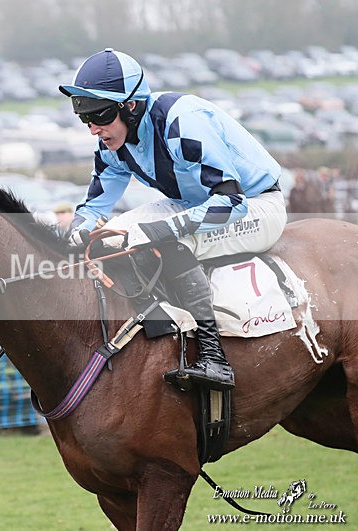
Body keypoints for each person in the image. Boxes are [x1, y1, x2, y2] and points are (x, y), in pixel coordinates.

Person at [60, 48, 287, 391]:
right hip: (194, 205)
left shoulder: (184, 123)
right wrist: (78, 232)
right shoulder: (111, 142)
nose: (94, 129)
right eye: (85, 118)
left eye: (100, 116)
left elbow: (231, 202)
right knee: (113, 236)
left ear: (131, 106)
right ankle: (155, 328)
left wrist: (165, 229)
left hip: (256, 206)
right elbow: (94, 208)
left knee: (163, 238)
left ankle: (214, 358)